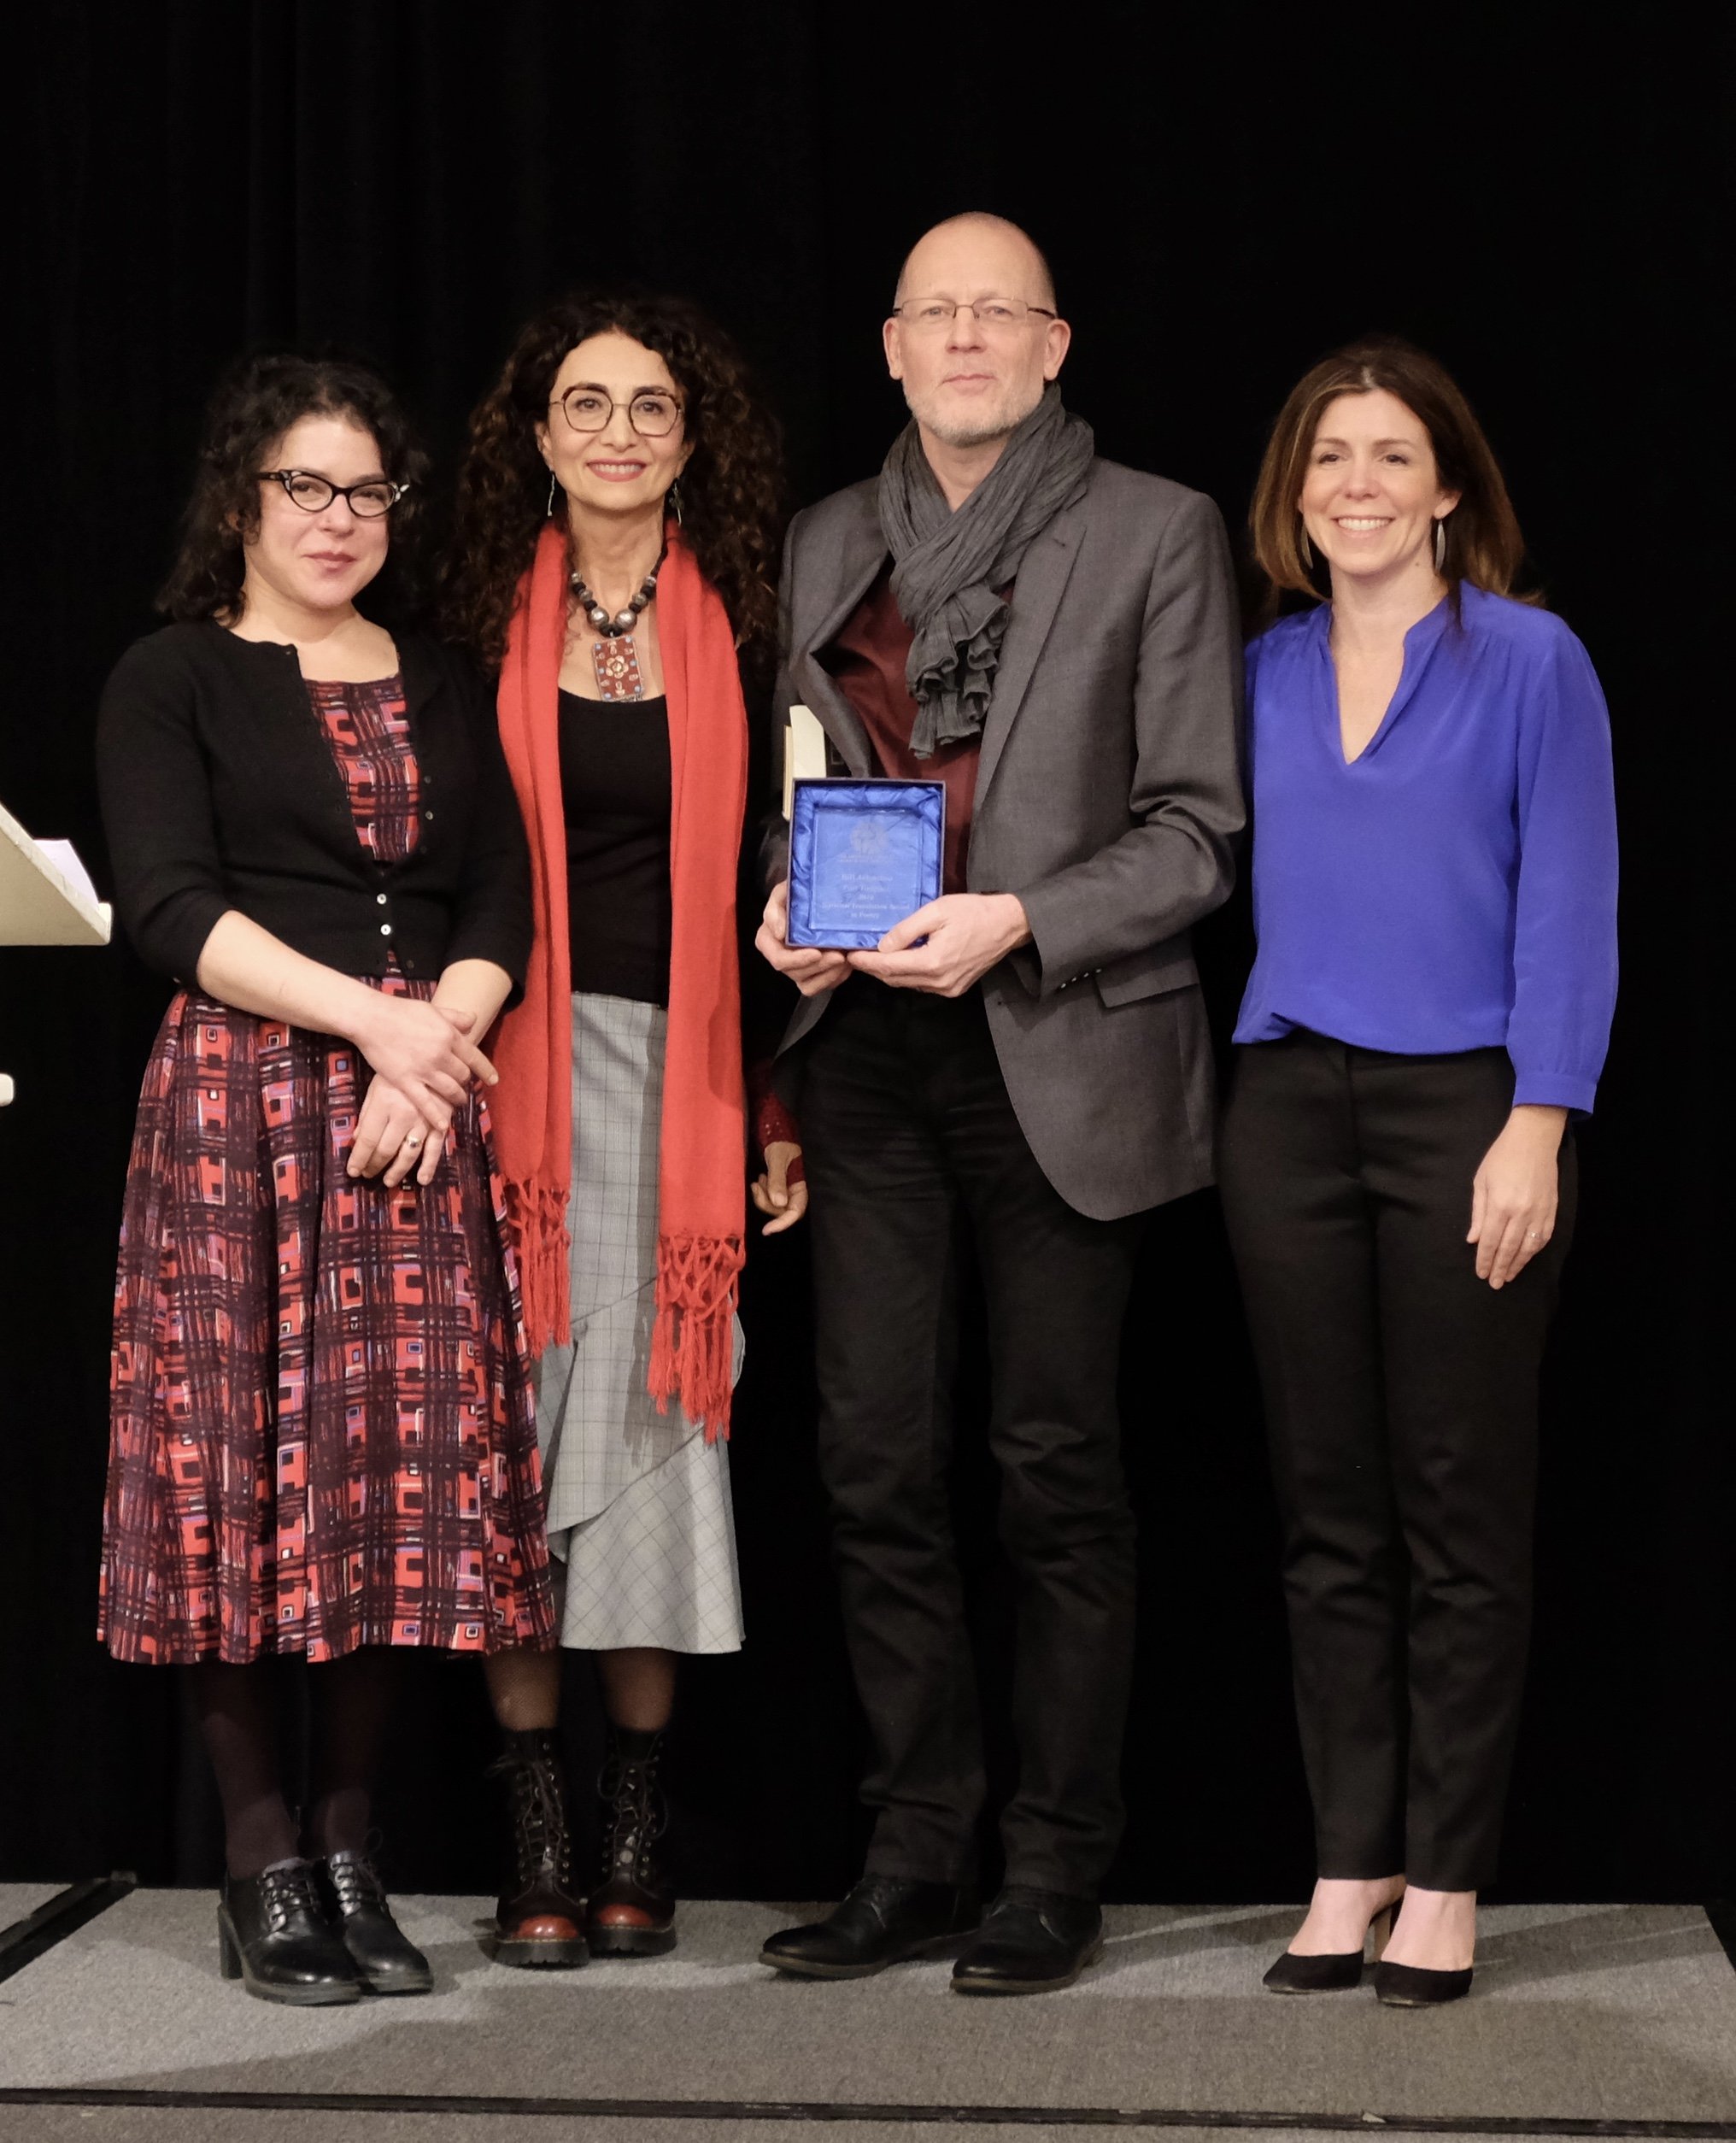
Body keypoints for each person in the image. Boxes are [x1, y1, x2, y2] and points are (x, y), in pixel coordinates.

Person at [754, 213, 1243, 1994]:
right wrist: (782, 910)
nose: (965, 338)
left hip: (1057, 1046)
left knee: (1052, 1472)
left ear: (1054, 345)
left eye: (999, 312)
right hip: (868, 1060)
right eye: (934, 312)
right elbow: (799, 787)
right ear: (890, 344)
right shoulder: (826, 538)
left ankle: (1052, 1868)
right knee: (874, 1463)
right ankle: (913, 1854)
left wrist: (1019, 915)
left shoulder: (1156, 529)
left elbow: (1196, 830)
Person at [97, 354, 554, 2005]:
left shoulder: (442, 677)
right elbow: (170, 907)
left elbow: (501, 897)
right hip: (244, 1104)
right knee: (224, 1478)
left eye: (368, 491)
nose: (340, 517)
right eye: (307, 485)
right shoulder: (171, 675)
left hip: (412, 1115)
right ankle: (258, 1859)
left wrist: (436, 1050)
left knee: (390, 1492)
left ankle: (351, 1853)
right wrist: (383, 1027)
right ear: (244, 497)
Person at [1218, 338, 1618, 2006]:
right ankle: (1350, 1859)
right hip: (1283, 1111)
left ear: (1447, 484)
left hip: (1471, 1110)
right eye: (1329, 459)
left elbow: (1572, 899)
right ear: (1293, 494)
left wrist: (1540, 1120)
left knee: (1456, 1509)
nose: (1357, 486)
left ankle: (1444, 1877)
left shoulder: (1529, 659)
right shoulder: (1257, 669)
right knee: (1326, 1514)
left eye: (1390, 456)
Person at [443, 291, 795, 1964]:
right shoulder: (468, 623)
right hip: (505, 1094)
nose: (618, 433)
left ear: (689, 435)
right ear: (537, 433)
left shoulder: (749, 627)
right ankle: (534, 1821)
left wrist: (773, 1108)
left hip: (687, 1092)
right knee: (511, 1452)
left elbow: (773, 895)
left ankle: (636, 1819)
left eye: (650, 406)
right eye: (585, 404)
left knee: (663, 1442)